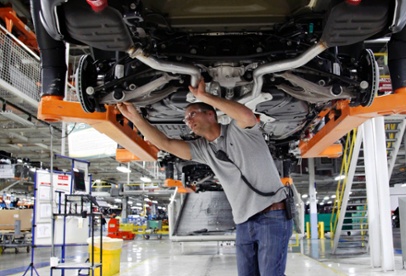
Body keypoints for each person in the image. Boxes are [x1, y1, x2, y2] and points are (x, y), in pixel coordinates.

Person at [117, 78, 292, 276]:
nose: (188, 121)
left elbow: (246, 114)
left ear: (211, 114)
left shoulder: (241, 131)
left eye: (192, 114)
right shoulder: (203, 150)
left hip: (272, 215)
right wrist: (136, 119)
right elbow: (165, 143)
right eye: (186, 119)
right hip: (244, 223)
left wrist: (205, 96)